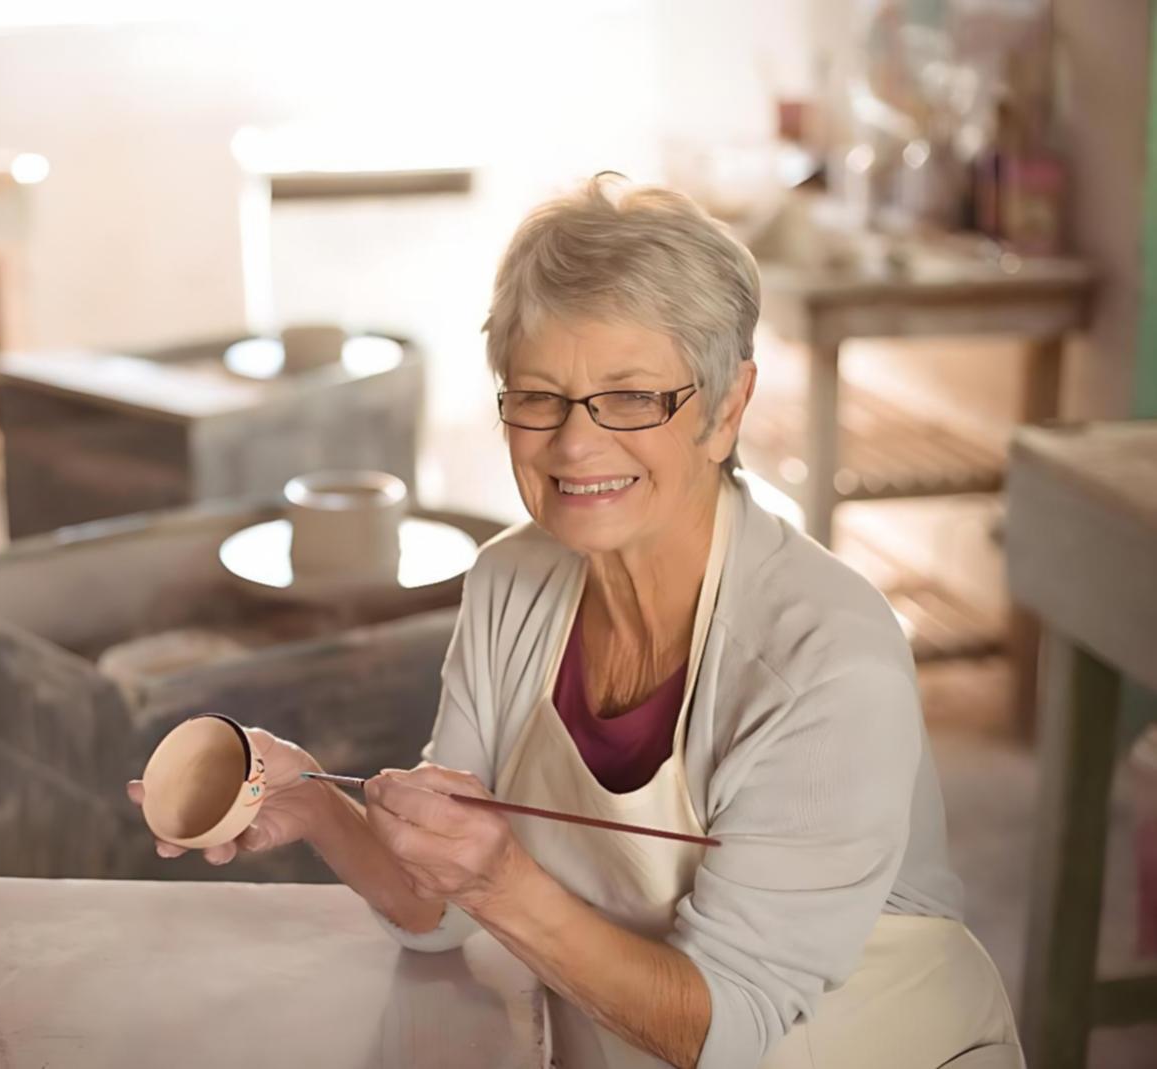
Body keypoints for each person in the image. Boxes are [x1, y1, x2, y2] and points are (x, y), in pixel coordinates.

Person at [129, 175, 1021, 1068]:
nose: (574, 443)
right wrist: (318, 803)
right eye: (539, 395)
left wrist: (502, 881)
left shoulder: (826, 664)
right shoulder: (511, 582)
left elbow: (731, 1027)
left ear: (726, 409)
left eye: (631, 397)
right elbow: (439, 907)